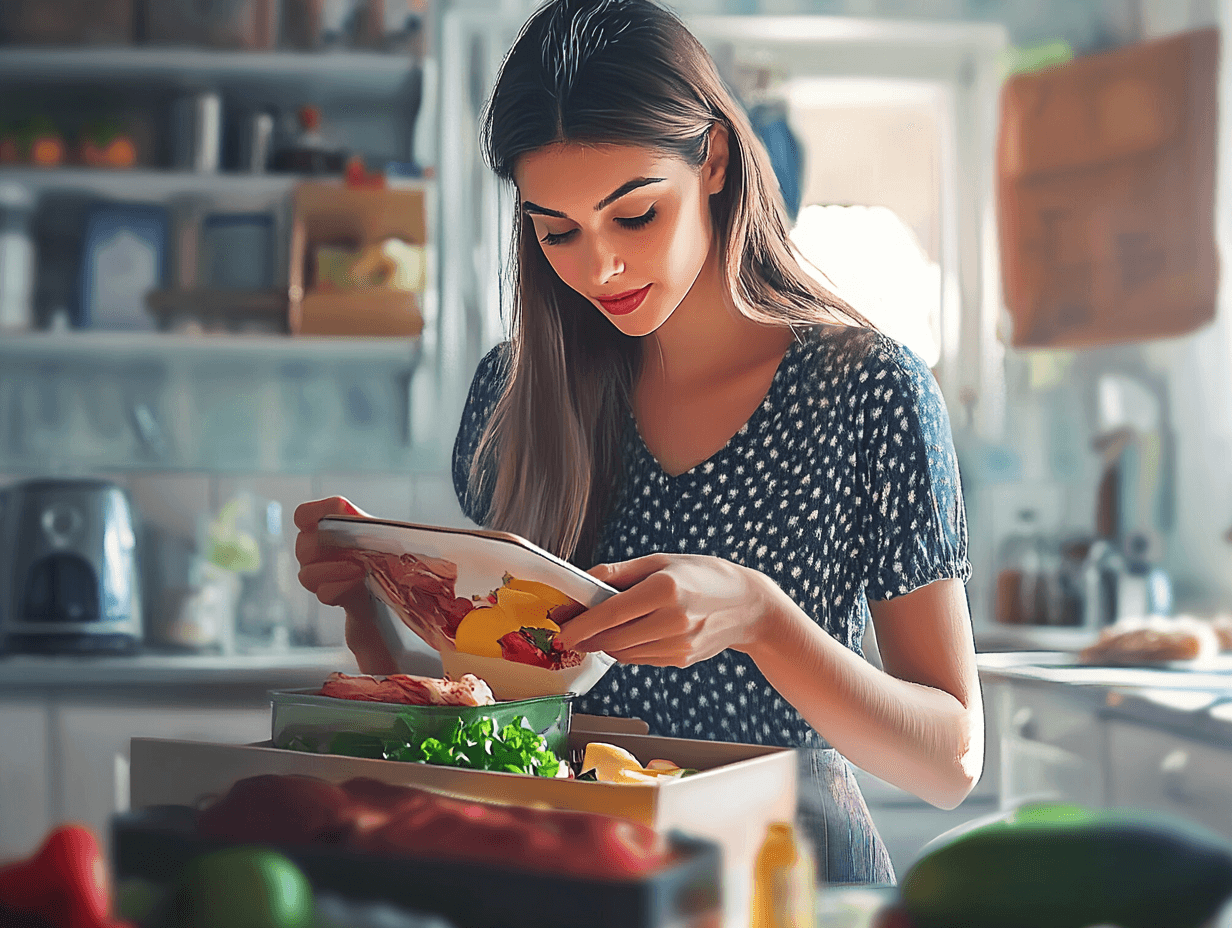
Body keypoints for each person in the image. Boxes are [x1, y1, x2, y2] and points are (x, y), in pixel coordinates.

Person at [294, 0, 982, 885]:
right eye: (557, 233)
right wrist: (369, 615)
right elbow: (502, 728)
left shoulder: (868, 391)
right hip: (579, 886)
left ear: (716, 162)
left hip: (790, 889)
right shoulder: (514, 398)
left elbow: (951, 762)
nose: (600, 268)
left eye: (635, 215)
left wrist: (762, 620)